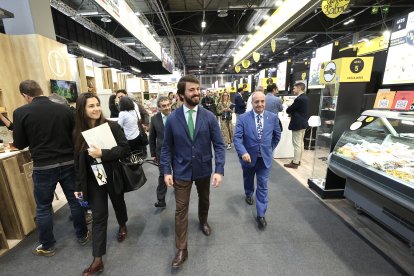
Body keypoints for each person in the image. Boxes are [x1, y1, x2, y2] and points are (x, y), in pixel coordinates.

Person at [12, 80, 89, 257]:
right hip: (69, 162)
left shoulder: (20, 112)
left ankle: (47, 246)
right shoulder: (64, 109)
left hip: (43, 166)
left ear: (25, 95)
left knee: (43, 207)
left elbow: (20, 143)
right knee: (75, 200)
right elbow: (75, 135)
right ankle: (82, 234)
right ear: (40, 90)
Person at [160, 75, 225, 268]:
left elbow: (219, 145)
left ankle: (203, 220)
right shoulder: (172, 119)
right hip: (181, 170)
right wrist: (166, 171)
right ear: (181, 95)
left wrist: (219, 169)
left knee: (204, 199)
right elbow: (166, 148)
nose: (197, 93)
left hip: (204, 168)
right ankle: (182, 248)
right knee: (181, 209)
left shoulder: (209, 116)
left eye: (198, 89)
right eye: (192, 90)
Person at [73, 93, 131, 276]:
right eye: (91, 106)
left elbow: (125, 149)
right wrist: (77, 186)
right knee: (99, 217)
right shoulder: (77, 133)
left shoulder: (112, 126)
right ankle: (97, 260)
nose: (96, 108)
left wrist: (103, 153)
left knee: (118, 203)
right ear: (82, 109)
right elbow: (76, 163)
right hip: (93, 180)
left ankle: (122, 224)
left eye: (97, 104)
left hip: (112, 175)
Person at [233, 92, 281, 229]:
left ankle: (261, 214)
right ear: (252, 103)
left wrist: (269, 149)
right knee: (248, 179)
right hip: (248, 158)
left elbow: (277, 135)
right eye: (256, 102)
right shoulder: (243, 118)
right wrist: (243, 152)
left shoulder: (272, 117)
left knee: (263, 185)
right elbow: (237, 138)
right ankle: (248, 193)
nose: (260, 104)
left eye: (262, 101)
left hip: (264, 159)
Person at [149, 96, 171, 208]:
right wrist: (153, 154)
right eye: (164, 106)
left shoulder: (176, 116)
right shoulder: (154, 119)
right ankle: (161, 200)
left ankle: (179, 190)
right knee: (163, 175)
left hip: (177, 152)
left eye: (168, 105)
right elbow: (152, 138)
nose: (167, 107)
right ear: (159, 107)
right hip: (161, 152)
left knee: (178, 172)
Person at [115, 89, 150, 156]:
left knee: (136, 152)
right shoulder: (131, 109)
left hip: (135, 132)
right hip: (136, 133)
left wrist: (145, 124)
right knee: (138, 151)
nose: (120, 98)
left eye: (121, 96)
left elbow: (145, 114)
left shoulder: (136, 105)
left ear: (126, 95)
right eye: (118, 97)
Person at [284, 82, 309, 169]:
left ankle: (295, 163)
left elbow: (289, 110)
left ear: (299, 88)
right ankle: (298, 160)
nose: (293, 90)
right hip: (302, 123)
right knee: (300, 143)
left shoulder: (299, 99)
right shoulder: (305, 97)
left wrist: (289, 107)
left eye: (294, 88)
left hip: (298, 124)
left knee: (297, 144)